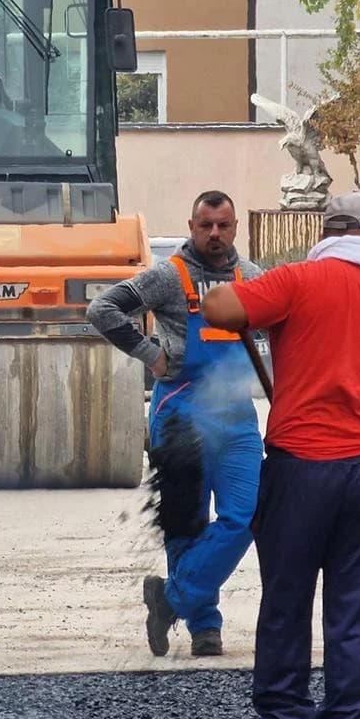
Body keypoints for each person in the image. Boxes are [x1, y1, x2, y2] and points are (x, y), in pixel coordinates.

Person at [202, 191, 360, 719]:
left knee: (287, 601)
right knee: (357, 609)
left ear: (330, 231)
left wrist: (211, 282)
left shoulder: (301, 279)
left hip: (302, 466)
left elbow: (222, 308)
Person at [88, 190, 263, 658]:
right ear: (191, 225)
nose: (214, 235)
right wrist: (152, 357)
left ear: (234, 228)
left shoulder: (254, 279)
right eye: (206, 225)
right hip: (180, 414)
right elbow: (102, 310)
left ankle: (171, 599)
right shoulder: (169, 276)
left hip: (236, 418)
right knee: (186, 523)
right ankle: (205, 624)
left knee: (246, 515)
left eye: (223, 226)